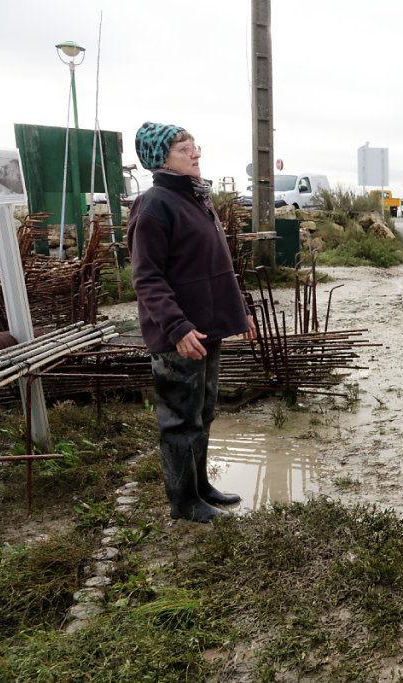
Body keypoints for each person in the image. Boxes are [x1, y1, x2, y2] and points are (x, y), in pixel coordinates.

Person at [127, 122, 257, 523]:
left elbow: (217, 265)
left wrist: (240, 310)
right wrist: (177, 327)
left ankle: (200, 488)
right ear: (160, 158)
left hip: (206, 328)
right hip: (179, 335)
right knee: (179, 421)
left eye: (194, 145)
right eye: (184, 148)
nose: (195, 152)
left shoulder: (197, 199)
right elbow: (146, 277)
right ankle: (183, 504)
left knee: (203, 412)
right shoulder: (154, 205)